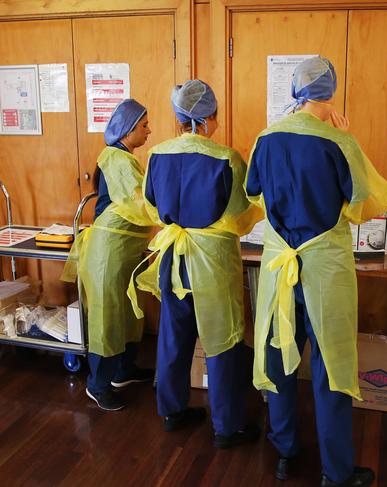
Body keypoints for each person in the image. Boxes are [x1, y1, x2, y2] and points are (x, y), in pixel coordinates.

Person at [245, 56, 387, 487]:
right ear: (331, 91)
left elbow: (254, 195)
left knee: (278, 356)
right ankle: (336, 472)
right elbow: (368, 202)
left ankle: (286, 452)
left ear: (296, 89)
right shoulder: (338, 141)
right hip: (325, 269)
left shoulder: (266, 138)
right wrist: (352, 142)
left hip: (278, 265)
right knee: (332, 366)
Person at [128, 80, 263, 444]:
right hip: (214, 262)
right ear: (210, 117)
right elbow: (243, 213)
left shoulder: (156, 155)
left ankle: (172, 411)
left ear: (177, 117)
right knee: (223, 340)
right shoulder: (227, 158)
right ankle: (227, 426)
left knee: (174, 335)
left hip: (174, 255)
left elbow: (152, 206)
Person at [62, 99, 155, 412]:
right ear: (128, 130)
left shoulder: (123, 157)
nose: (149, 131)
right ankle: (97, 385)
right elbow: (141, 204)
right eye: (144, 126)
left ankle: (123, 371)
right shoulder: (117, 160)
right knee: (107, 319)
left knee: (127, 313)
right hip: (109, 253)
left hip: (124, 251)